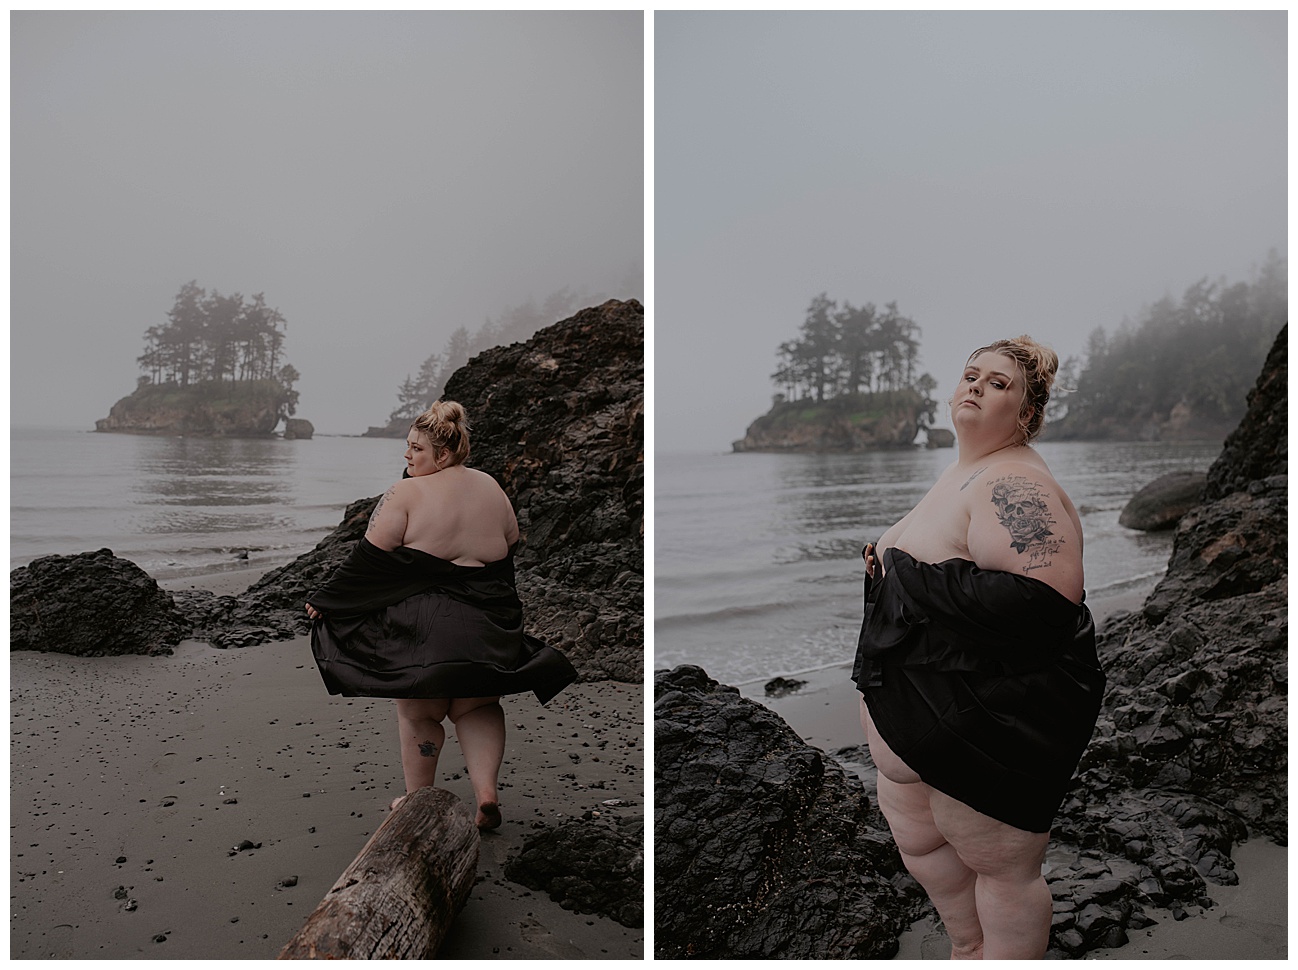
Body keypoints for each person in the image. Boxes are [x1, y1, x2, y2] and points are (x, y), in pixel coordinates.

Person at [852, 336, 1105, 959]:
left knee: (1002, 874)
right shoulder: (962, 470)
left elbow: (1045, 602)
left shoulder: (1013, 480)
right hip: (910, 714)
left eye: (999, 384)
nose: (976, 387)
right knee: (926, 849)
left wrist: (904, 572)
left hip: (981, 728)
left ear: (1026, 414)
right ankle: (969, 952)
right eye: (972, 375)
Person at [305, 401, 577, 830]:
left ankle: (417, 801)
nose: (407, 457)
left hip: (422, 629)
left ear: (443, 454)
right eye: (407, 448)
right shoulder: (491, 487)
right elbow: (509, 548)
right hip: (484, 622)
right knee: (478, 705)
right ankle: (486, 795)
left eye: (416, 449)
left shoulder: (406, 493)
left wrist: (328, 599)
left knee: (419, 714)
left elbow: (367, 560)